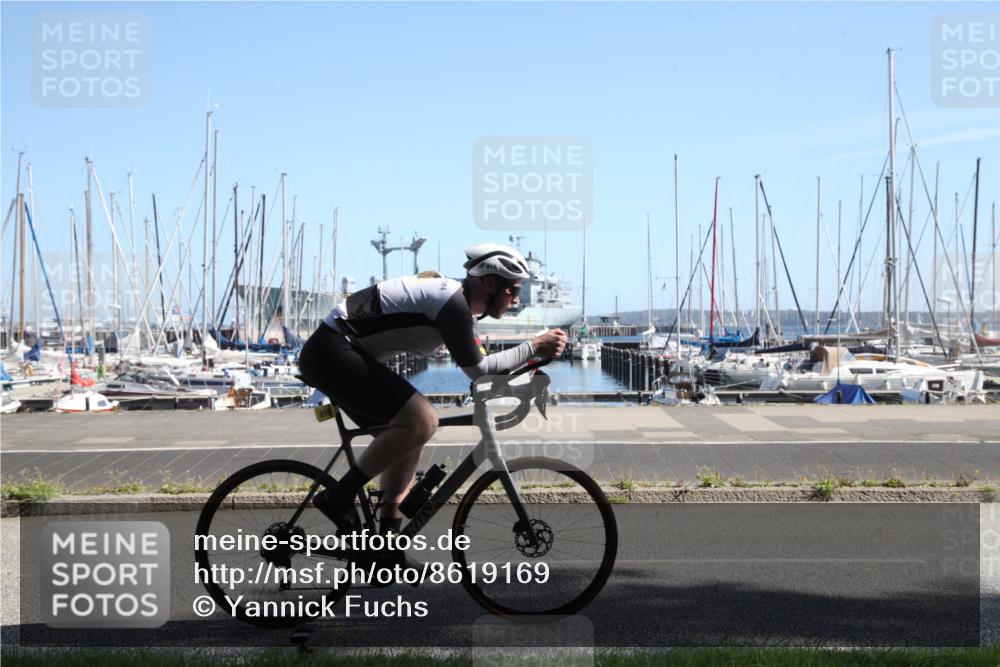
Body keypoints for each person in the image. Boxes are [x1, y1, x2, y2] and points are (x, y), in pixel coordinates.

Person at [297, 243, 567, 535]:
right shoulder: (452, 304)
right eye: (512, 290)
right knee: (422, 420)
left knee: (407, 438)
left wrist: (533, 364)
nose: (515, 299)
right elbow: (478, 369)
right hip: (331, 350)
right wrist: (535, 346)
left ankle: (387, 544)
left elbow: (485, 367)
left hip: (344, 354)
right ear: (489, 283)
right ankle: (338, 496)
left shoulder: (463, 311)